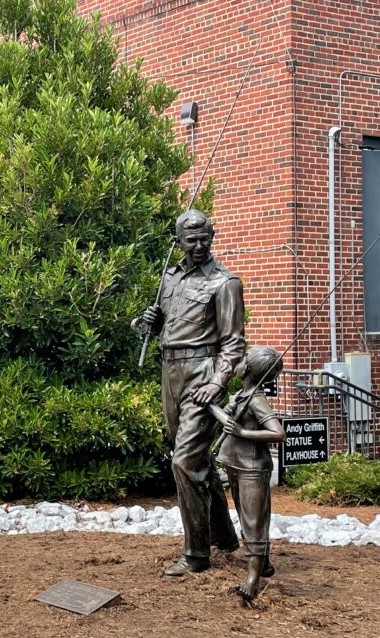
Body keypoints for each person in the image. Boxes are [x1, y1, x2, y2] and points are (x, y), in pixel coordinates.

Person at [132, 209, 243, 576]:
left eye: (204, 238)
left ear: (212, 235)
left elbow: (233, 344)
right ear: (178, 240)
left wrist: (217, 382)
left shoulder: (225, 283)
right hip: (170, 372)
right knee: (198, 462)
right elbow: (161, 325)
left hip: (202, 374)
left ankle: (196, 554)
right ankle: (224, 536)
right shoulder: (169, 277)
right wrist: (142, 323)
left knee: (184, 461)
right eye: (190, 239)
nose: (198, 245)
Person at [213, 346, 285, 600]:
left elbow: (278, 433)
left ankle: (252, 583)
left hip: (252, 468)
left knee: (254, 523)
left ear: (249, 370)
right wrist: (209, 404)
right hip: (235, 463)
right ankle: (263, 563)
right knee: (246, 519)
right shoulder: (243, 395)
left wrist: (244, 433)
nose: (239, 361)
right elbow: (227, 418)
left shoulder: (256, 401)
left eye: (244, 359)